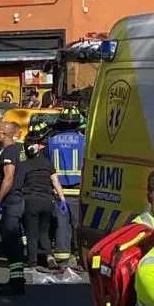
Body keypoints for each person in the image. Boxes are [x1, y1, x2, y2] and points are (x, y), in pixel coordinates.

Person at [17, 130, 67, 269]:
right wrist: (62, 200)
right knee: (44, 231)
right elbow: (55, 182)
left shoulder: (24, 165)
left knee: (31, 233)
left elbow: (19, 183)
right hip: (47, 201)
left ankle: (32, 262)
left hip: (31, 201)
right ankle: (49, 255)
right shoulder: (47, 163)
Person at [46, 106, 85, 267]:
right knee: (78, 225)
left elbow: (48, 163)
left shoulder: (51, 141)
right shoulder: (83, 141)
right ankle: (80, 256)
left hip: (58, 191)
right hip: (78, 190)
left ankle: (62, 257)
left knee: (62, 225)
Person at [0, 120, 27, 295]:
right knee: (13, 242)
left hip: (10, 202)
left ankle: (17, 283)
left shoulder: (9, 151)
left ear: (4, 135)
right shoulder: (17, 150)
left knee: (11, 243)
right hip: (15, 200)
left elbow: (8, 178)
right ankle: (16, 280)